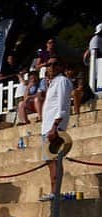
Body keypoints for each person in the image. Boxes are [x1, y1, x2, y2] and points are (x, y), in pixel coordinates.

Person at [39, 57, 73, 201]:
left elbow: (62, 106)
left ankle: (55, 192)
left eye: (54, 64)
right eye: (48, 64)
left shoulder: (61, 81)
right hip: (48, 126)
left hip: (54, 127)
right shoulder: (53, 83)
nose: (51, 67)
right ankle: (54, 191)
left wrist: (55, 127)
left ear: (60, 66)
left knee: (54, 160)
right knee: (50, 161)